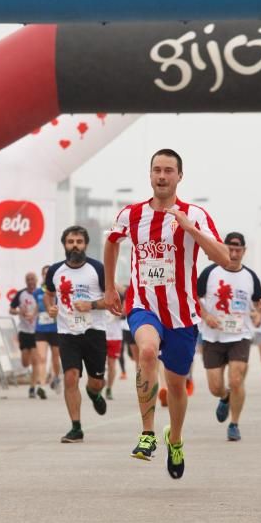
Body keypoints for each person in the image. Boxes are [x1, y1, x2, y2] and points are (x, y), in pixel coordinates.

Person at [104, 148, 229, 479]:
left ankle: (174, 439)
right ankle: (147, 434)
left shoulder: (195, 214)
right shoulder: (130, 215)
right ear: (150, 174)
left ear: (179, 176)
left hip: (182, 314)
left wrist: (190, 229)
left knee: (176, 385)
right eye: (156, 170)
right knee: (145, 350)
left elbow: (224, 258)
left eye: (168, 171)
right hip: (143, 304)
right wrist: (109, 287)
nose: (162, 176)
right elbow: (112, 242)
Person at [197, 232, 261, 441]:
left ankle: (234, 424)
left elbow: (258, 305)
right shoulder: (209, 273)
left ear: (244, 251)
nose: (234, 253)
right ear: (223, 248)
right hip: (213, 336)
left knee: (236, 380)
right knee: (215, 386)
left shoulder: (251, 277)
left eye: (238, 250)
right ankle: (224, 397)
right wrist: (206, 315)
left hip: (240, 335)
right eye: (230, 249)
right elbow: (192, 298)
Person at [44, 225, 107, 443]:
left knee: (96, 381)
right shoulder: (55, 271)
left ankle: (94, 393)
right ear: (64, 245)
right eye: (71, 242)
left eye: (79, 242)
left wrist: (92, 305)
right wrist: (51, 308)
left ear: (86, 245)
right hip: (67, 332)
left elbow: (112, 300)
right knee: (70, 377)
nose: (75, 246)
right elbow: (49, 294)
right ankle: (76, 427)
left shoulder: (98, 269)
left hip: (94, 331)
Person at [10, 272, 46, 399]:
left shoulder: (40, 294)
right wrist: (19, 311)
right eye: (28, 279)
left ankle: (32, 387)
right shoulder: (21, 294)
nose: (30, 281)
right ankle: (30, 360)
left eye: (32, 279)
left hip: (37, 330)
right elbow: (11, 309)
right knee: (25, 363)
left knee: (36, 361)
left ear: (36, 280)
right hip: (24, 331)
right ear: (26, 281)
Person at [34, 265, 62, 394]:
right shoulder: (37, 292)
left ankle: (56, 377)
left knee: (55, 358)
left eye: (48, 273)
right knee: (41, 357)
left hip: (56, 329)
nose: (46, 276)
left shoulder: (59, 291)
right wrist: (31, 316)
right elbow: (35, 309)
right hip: (41, 328)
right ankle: (42, 386)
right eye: (44, 274)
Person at [104, 309, 123, 400]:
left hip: (115, 337)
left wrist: (120, 312)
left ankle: (109, 388)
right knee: (98, 364)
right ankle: (98, 385)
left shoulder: (118, 298)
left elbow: (124, 314)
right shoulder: (96, 297)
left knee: (111, 365)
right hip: (100, 336)